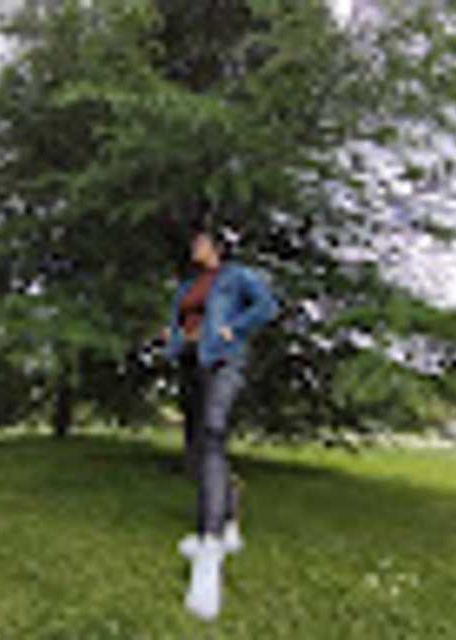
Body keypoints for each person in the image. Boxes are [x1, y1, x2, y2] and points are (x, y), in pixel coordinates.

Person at [161, 226, 278, 620]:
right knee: (204, 440)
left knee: (213, 432)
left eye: (199, 242)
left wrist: (235, 328)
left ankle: (209, 540)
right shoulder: (187, 286)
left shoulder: (235, 276)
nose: (193, 247)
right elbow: (182, 321)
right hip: (193, 363)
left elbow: (266, 306)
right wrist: (173, 337)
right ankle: (229, 512)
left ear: (216, 248)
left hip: (225, 361)